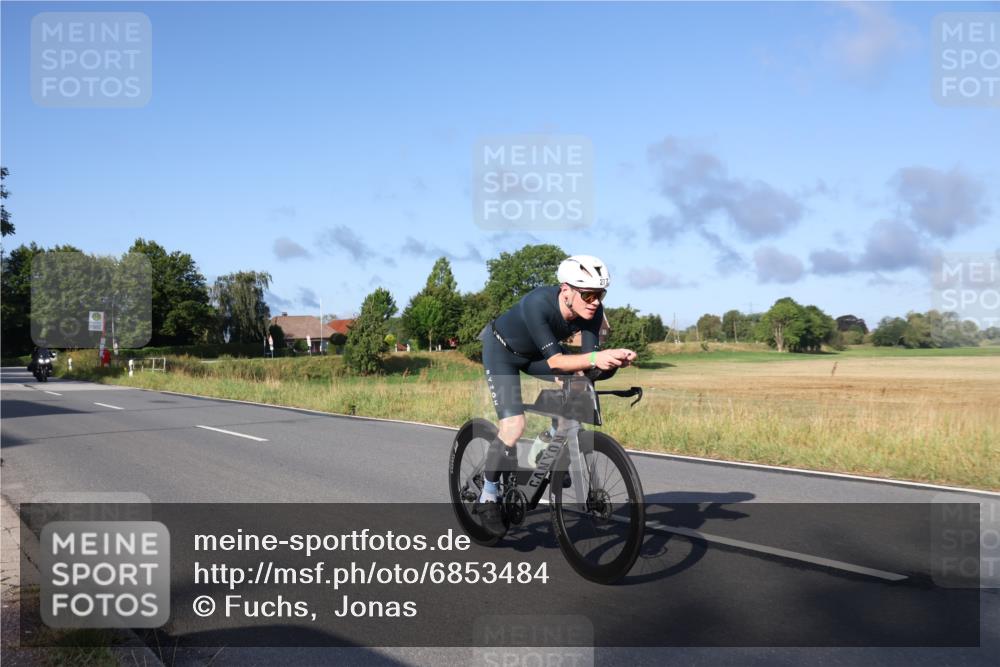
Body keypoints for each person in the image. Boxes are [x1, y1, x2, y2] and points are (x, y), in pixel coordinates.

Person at [475, 255, 637, 537]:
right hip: (501, 352)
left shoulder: (593, 312)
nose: (595, 302)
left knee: (576, 386)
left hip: (534, 356)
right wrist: (599, 356)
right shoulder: (538, 303)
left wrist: (612, 362)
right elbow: (557, 362)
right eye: (588, 294)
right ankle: (488, 495)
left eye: (600, 294)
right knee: (514, 426)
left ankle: (546, 447)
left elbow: (587, 365)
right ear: (566, 291)